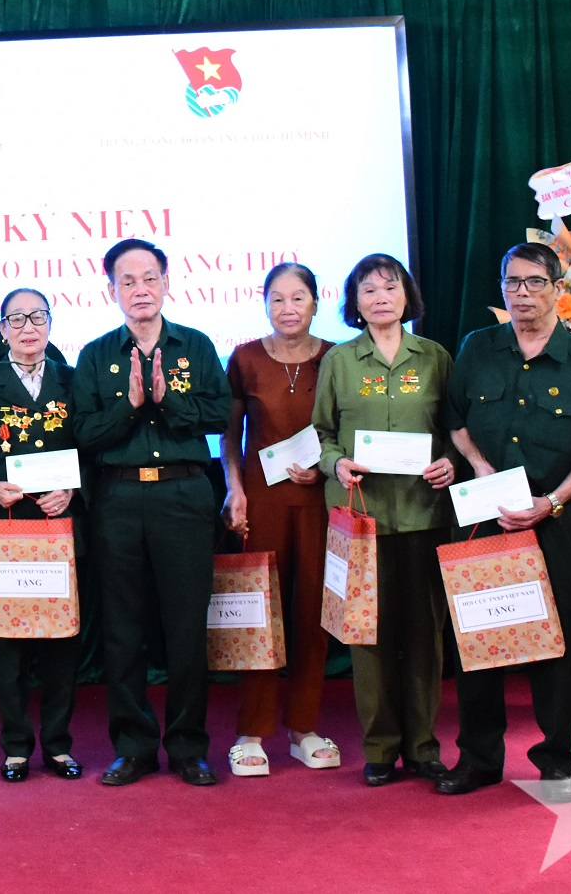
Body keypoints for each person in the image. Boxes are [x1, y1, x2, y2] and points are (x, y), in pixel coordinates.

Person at [439, 243, 571, 800]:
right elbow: (455, 420)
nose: (523, 293)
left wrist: (552, 501)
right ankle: (478, 759)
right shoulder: (478, 347)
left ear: (558, 289)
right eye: (513, 282)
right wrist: (480, 466)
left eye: (535, 282)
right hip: (484, 516)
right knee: (479, 639)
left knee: (558, 644)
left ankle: (556, 761)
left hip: (555, 521)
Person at [71, 238, 230, 787]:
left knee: (186, 627)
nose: (140, 290)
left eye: (149, 279)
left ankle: (188, 746)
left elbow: (219, 415)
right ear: (112, 290)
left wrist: (169, 401)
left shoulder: (196, 345)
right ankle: (133, 746)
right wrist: (131, 406)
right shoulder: (95, 355)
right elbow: (84, 432)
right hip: (118, 499)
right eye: (128, 281)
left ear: (166, 283)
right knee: (122, 629)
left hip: (183, 495)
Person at [309, 256, 457, 786]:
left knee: (424, 636)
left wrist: (451, 462)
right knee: (366, 635)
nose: (379, 297)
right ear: (355, 302)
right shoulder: (340, 360)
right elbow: (321, 432)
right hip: (361, 517)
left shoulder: (435, 356)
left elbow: (455, 430)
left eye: (389, 287)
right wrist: (335, 463)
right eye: (367, 289)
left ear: (406, 295)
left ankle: (423, 747)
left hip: (423, 514)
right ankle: (379, 749)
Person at [0, 288, 84, 783]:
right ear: (2, 330)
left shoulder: (74, 381)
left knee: (62, 642)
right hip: (5, 528)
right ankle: (16, 747)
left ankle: (59, 745)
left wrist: (74, 488)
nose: (28, 327)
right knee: (8, 645)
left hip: (59, 526)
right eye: (17, 319)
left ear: (51, 324)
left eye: (38, 317)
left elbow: (95, 447)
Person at [221, 262, 339, 778]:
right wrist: (235, 489)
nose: (287, 308)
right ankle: (251, 731)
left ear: (315, 302)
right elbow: (229, 436)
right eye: (277, 299)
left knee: (312, 612)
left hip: (318, 501)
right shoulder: (245, 358)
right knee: (258, 613)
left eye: (298, 298)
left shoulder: (335, 358)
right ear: (264, 303)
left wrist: (325, 468)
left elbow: (342, 431)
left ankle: (303, 728)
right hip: (261, 501)